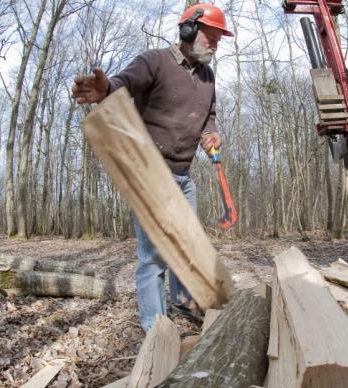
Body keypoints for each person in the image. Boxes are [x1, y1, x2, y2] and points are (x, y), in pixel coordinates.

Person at [72, 3, 234, 331]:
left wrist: (210, 132)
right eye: (211, 36)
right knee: (153, 257)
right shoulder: (155, 61)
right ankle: (156, 328)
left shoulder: (207, 76)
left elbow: (210, 113)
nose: (215, 44)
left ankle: (184, 306)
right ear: (188, 30)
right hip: (149, 173)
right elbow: (124, 82)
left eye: (219, 39)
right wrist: (106, 90)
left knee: (187, 246)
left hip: (183, 176)